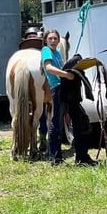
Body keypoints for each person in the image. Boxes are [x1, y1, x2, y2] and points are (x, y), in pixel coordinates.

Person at [41, 29, 76, 165]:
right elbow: (48, 67)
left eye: (55, 39)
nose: (53, 41)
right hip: (55, 88)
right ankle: (54, 156)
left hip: (62, 88)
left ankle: (58, 155)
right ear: (45, 40)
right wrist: (66, 75)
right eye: (50, 38)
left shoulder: (57, 53)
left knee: (59, 122)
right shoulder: (46, 50)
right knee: (55, 123)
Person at [60, 53, 98, 166]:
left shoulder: (74, 72)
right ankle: (81, 157)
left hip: (72, 103)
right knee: (81, 126)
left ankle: (81, 156)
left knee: (82, 125)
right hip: (71, 103)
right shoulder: (72, 73)